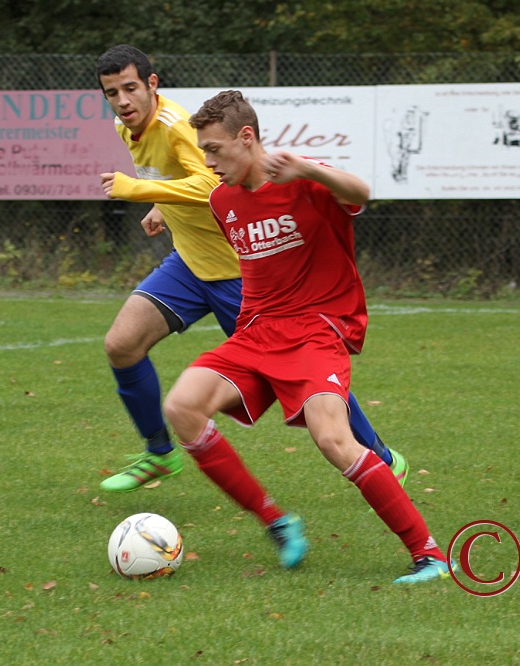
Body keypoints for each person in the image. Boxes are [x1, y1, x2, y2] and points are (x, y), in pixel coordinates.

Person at [162, 90, 455, 583]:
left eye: (214, 149)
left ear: (246, 137)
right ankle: (277, 521)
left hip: (315, 332)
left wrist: (307, 169)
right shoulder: (221, 199)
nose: (208, 161)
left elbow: (360, 192)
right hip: (256, 334)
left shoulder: (304, 179)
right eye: (204, 151)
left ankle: (430, 554)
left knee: (334, 439)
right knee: (181, 407)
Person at [94, 44, 405, 494]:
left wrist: (139, 191)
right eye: (112, 93)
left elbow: (208, 182)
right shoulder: (126, 128)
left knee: (306, 373)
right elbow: (180, 181)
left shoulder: (177, 126)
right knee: (122, 344)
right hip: (188, 263)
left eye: (130, 89)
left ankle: (379, 456)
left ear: (151, 84)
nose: (123, 101)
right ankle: (160, 452)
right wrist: (161, 204)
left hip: (238, 271)